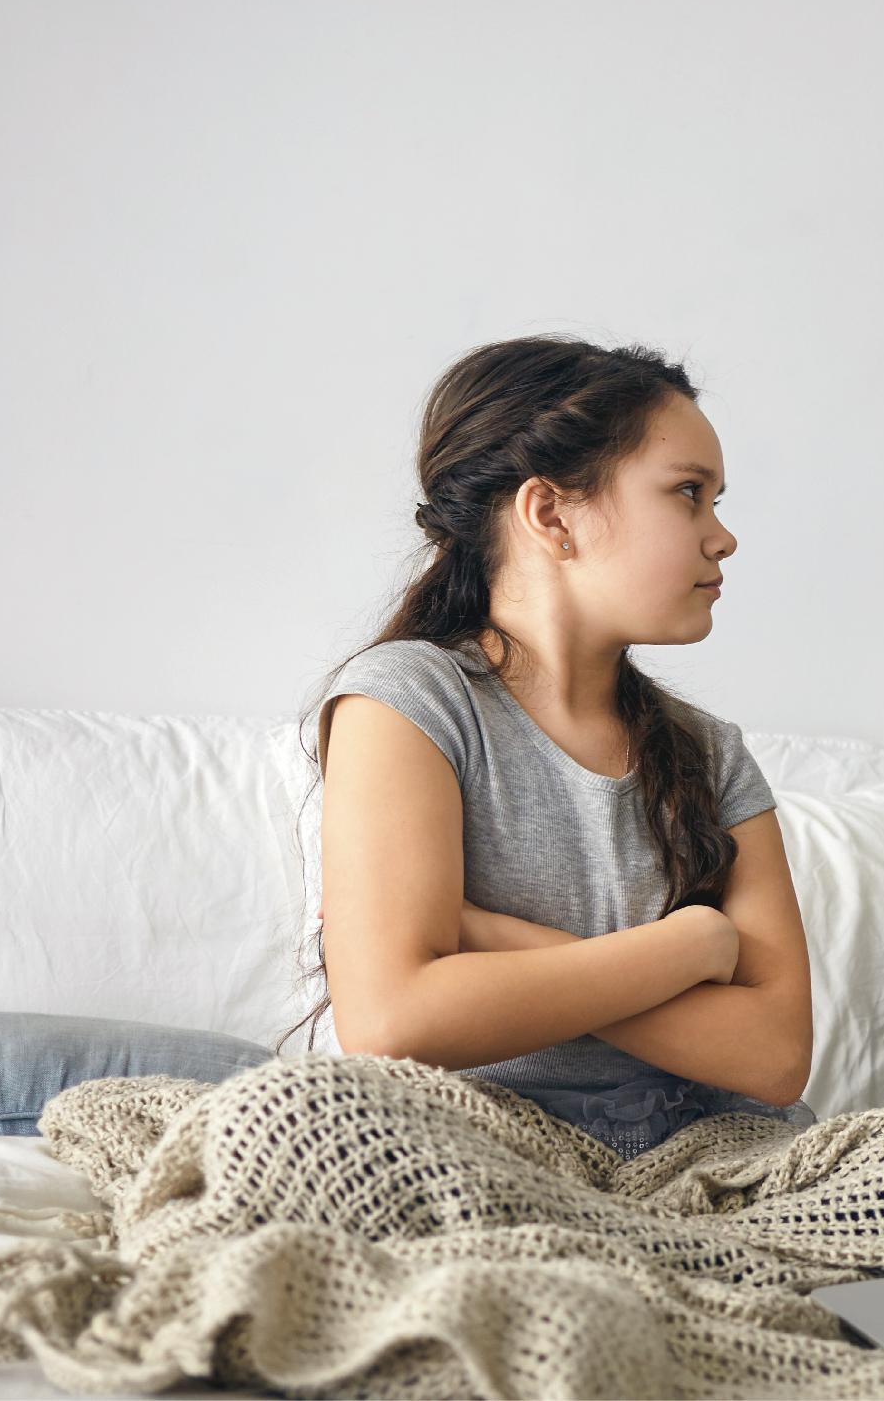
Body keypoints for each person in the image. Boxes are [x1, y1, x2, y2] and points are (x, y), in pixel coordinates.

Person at [312, 338, 813, 1158]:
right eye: (689, 494)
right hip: (481, 1153)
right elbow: (393, 1020)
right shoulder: (410, 699)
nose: (722, 538)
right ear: (550, 514)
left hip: (719, 1151)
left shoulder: (709, 753)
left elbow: (776, 1056)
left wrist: (489, 936)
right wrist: (687, 946)